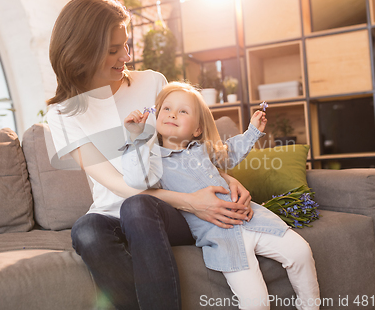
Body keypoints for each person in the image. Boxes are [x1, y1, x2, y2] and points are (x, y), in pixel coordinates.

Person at [46, 0, 255, 310]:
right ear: (82, 51)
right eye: (114, 50)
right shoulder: (63, 116)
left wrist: (223, 179)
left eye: (127, 45)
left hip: (165, 214)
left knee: (139, 207)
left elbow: (185, 147)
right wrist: (193, 201)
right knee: (87, 229)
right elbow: (119, 185)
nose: (126, 57)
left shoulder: (152, 83)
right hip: (122, 212)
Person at [121, 82, 320, 310]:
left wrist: (252, 131)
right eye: (166, 109)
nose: (173, 114)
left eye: (183, 111)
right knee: (257, 303)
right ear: (156, 118)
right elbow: (136, 178)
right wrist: (137, 136)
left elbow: (229, 153)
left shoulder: (202, 149)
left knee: (301, 251)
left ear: (197, 129)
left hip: (253, 219)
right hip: (220, 235)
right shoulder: (152, 160)